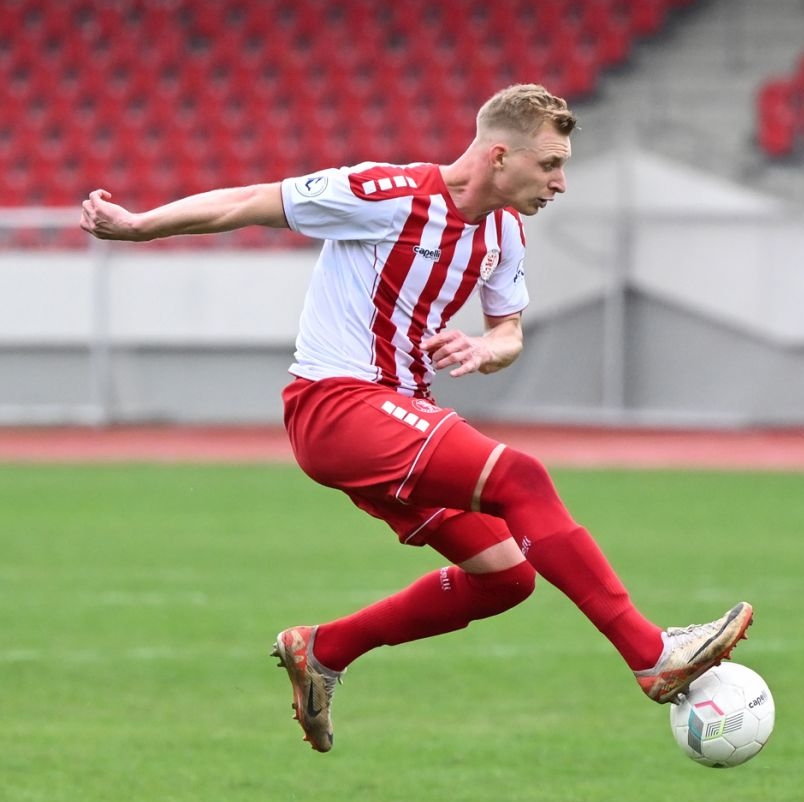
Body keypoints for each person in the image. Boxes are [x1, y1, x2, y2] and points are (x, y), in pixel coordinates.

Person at [79, 85, 751, 752]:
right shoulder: (386, 193)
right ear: (499, 156)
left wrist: (487, 347)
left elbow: (509, 331)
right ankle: (650, 654)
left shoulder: (503, 232)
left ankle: (323, 649)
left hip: (396, 417)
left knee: (506, 577)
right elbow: (251, 201)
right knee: (520, 478)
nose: (561, 182)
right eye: (549, 164)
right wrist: (139, 226)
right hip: (336, 405)